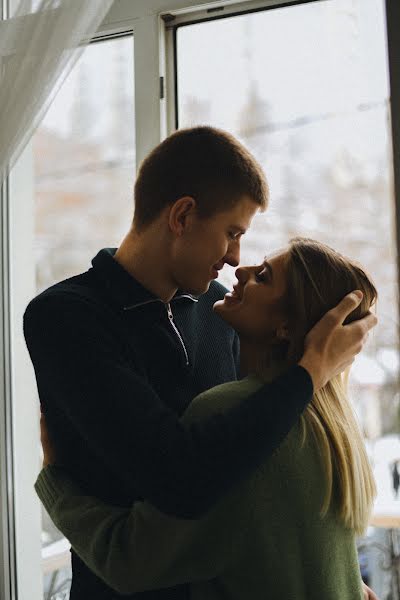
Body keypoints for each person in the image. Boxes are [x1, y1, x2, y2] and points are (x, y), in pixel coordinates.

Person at [24, 127, 376, 600]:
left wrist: (335, 577)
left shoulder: (220, 310)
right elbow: (180, 475)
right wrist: (311, 371)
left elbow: (257, 456)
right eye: (232, 233)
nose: (235, 258)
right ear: (183, 215)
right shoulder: (67, 317)